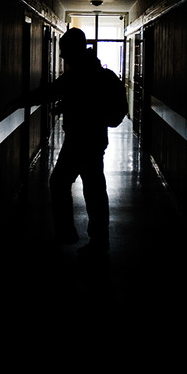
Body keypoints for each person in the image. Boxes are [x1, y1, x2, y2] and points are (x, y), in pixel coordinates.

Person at [18, 27, 124, 256]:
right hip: (94, 140)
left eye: (64, 50)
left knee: (65, 184)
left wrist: (19, 101)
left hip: (80, 141)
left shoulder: (78, 74)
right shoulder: (95, 73)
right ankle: (97, 240)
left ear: (75, 49)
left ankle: (75, 235)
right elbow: (85, 101)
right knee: (94, 189)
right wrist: (67, 106)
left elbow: (50, 92)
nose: (62, 55)